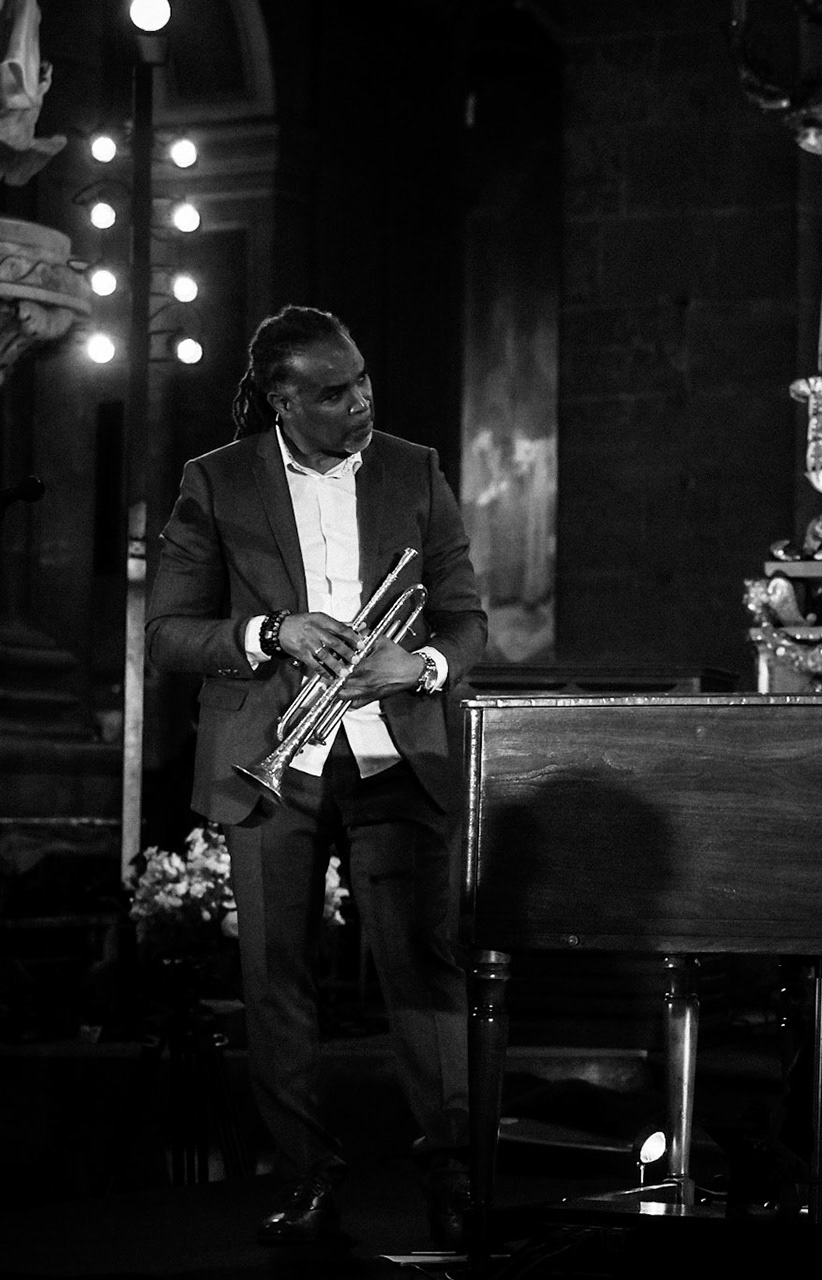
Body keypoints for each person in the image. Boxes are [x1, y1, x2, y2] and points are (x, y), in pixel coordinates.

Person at [146, 306, 486, 1249]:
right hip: (274, 758)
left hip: (392, 747)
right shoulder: (214, 482)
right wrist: (270, 633)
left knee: (421, 966)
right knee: (276, 977)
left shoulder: (414, 468)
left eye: (365, 382)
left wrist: (417, 668)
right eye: (335, 394)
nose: (361, 402)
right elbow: (169, 633)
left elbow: (463, 616)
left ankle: (452, 1174)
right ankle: (307, 1177)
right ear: (283, 400)